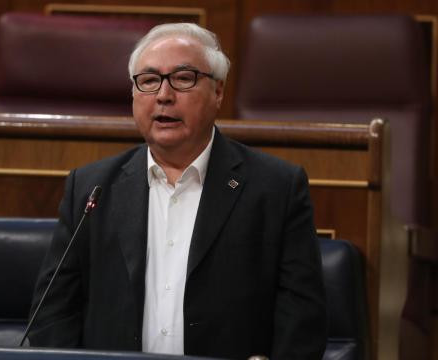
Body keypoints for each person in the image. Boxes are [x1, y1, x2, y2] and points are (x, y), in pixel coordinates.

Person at [28, 23, 327, 359]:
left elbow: (301, 323)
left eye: (183, 78)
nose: (163, 95)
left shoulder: (275, 189)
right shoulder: (91, 188)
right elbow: (52, 314)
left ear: (218, 92)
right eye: (149, 80)